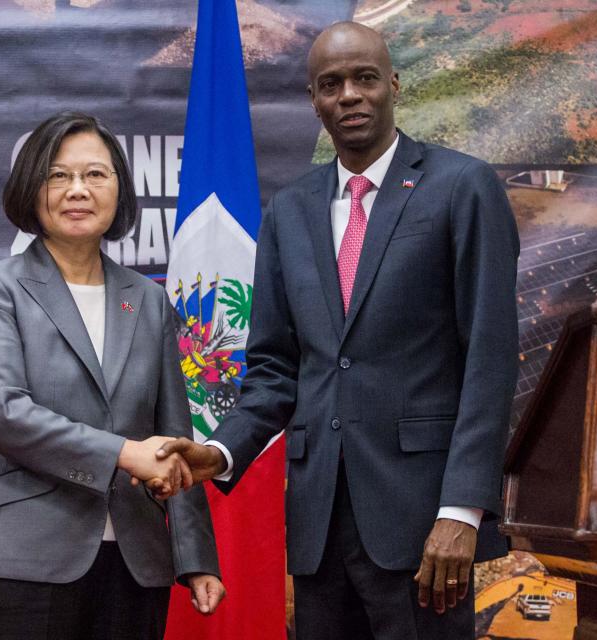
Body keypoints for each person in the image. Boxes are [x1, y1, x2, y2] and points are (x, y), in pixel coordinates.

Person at [158, 21, 519, 639]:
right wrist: (218, 452)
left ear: (394, 85)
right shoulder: (290, 210)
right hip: (319, 526)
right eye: (331, 84)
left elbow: (489, 359)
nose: (348, 94)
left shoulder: (462, 186)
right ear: (314, 101)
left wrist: (462, 509)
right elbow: (273, 369)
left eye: (364, 78)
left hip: (424, 528)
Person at [0, 111, 224, 640]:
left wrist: (195, 556)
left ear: (119, 191)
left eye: (95, 175)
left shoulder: (148, 300)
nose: (78, 190)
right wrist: (124, 454)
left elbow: (176, 437)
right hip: (23, 562)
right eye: (59, 175)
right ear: (32, 188)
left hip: (134, 562)